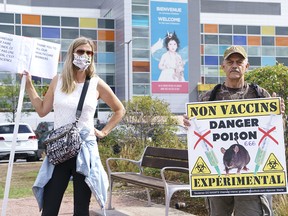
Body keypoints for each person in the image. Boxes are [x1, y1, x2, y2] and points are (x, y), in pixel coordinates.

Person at [23, 37, 125, 216]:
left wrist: (103, 131)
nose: (85, 56)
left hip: (85, 151)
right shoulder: (58, 80)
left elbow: (119, 110)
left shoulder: (96, 83)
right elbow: (41, 110)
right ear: (71, 54)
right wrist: (29, 84)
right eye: (80, 51)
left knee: (81, 209)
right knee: (50, 207)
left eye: (89, 53)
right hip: (60, 150)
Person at [183, 45, 286, 216]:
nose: (234, 65)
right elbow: (197, 132)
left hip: (252, 181)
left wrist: (278, 113)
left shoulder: (260, 95)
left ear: (247, 66)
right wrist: (188, 122)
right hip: (218, 180)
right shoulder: (209, 97)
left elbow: (275, 130)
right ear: (223, 66)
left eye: (239, 61)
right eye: (230, 62)